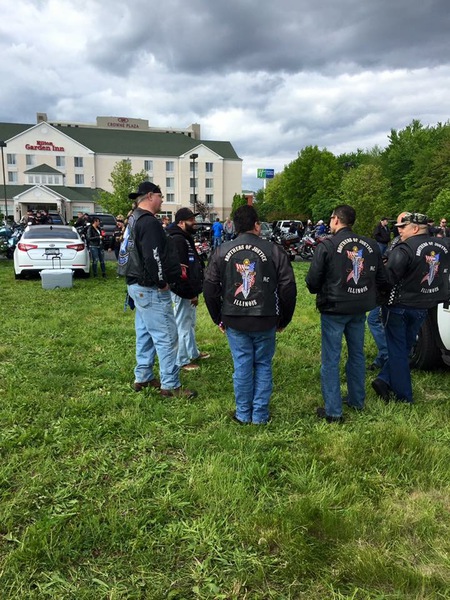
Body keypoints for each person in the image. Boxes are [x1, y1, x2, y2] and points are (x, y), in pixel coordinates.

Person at [203, 205, 297, 425]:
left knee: (242, 364)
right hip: (264, 317)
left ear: (234, 226)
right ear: (256, 225)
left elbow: (209, 286)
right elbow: (288, 287)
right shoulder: (274, 250)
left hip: (235, 317)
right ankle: (259, 415)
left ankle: (244, 414)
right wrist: (284, 318)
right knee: (262, 364)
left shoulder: (222, 250)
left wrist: (218, 317)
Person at [305, 204, 389, 422]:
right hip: (359, 307)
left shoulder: (327, 245)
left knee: (331, 359)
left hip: (334, 308)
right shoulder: (370, 245)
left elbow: (312, 282)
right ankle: (357, 400)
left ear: (335, 219)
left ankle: (333, 411)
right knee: (357, 354)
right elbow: (383, 279)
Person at [119, 181, 196, 398]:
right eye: (161, 196)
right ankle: (170, 385)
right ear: (151, 196)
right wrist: (162, 282)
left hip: (135, 285)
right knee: (167, 336)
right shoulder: (149, 222)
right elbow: (153, 256)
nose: (162, 200)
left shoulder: (133, 218)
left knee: (145, 333)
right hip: (150, 287)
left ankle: (143, 377)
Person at [372, 212, 450, 403]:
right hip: (424, 305)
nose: (399, 230)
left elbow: (388, 278)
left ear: (415, 228)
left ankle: (403, 396)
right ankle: (383, 380)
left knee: (398, 349)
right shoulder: (443, 246)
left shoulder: (404, 248)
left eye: (403, 227)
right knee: (405, 346)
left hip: (399, 305)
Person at [167, 207, 210, 371]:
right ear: (181, 222)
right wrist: (190, 293)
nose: (195, 223)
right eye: (191, 220)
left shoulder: (185, 238)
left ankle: (192, 352)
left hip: (189, 290)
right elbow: (181, 272)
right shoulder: (178, 240)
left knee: (189, 322)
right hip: (182, 291)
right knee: (183, 324)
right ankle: (182, 360)